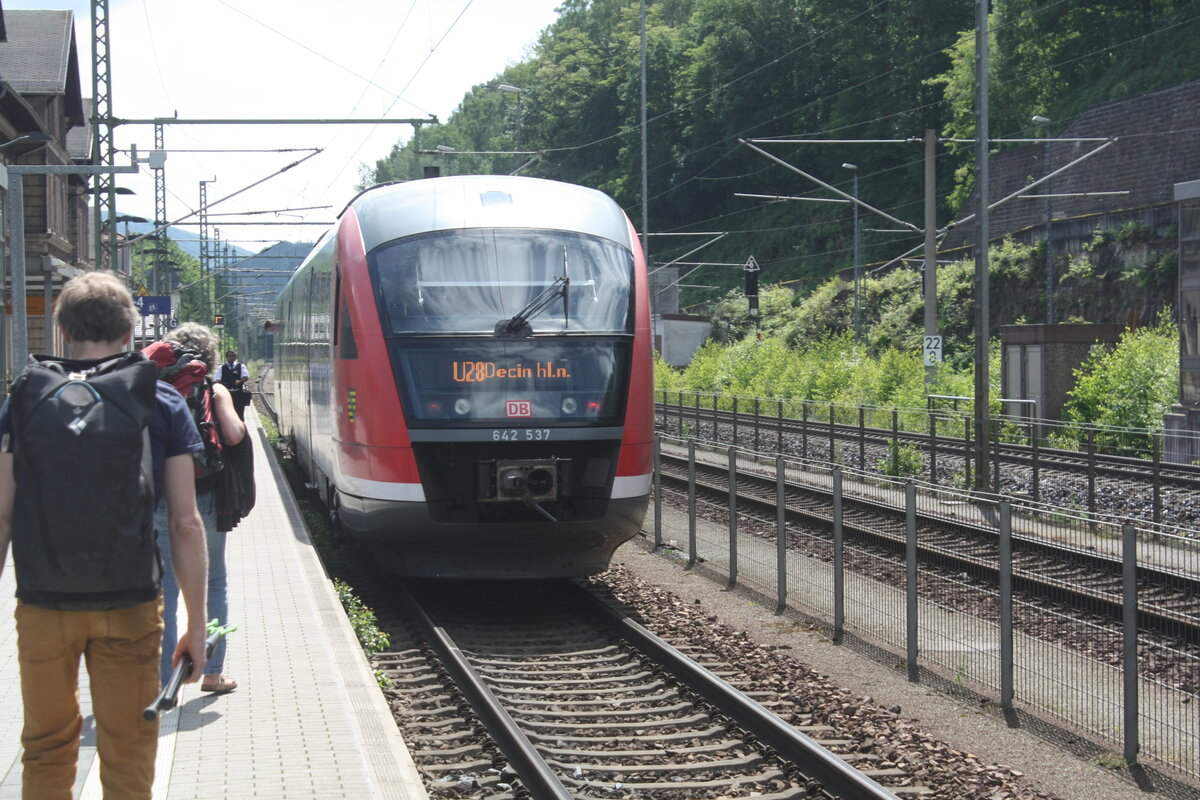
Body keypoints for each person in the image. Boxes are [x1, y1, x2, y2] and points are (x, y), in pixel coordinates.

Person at [0, 272, 208, 800]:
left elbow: (1, 515)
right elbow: (185, 522)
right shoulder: (160, 399)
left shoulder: (24, 399)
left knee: (46, 746)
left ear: (63, 332)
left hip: (44, 601)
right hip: (130, 601)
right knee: (129, 747)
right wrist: (197, 623)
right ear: (128, 333)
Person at [154, 324, 245, 694]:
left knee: (165, 589)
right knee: (215, 582)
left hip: (160, 495)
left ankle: (164, 682)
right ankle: (212, 673)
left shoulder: (154, 387)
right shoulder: (212, 386)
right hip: (204, 496)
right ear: (209, 356)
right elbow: (236, 433)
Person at [218, 348, 251, 420]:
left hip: (238, 394)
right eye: (230, 356)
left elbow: (245, 377)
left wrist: (240, 381)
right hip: (226, 394)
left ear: (236, 357)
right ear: (227, 357)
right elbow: (217, 379)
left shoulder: (241, 366)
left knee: (239, 414)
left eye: (233, 356)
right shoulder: (221, 368)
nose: (231, 357)